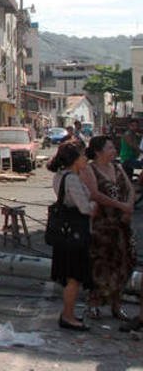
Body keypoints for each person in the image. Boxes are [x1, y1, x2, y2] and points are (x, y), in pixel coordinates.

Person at [81, 135, 136, 321]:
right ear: (98, 151)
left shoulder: (117, 167)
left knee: (123, 263)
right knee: (100, 265)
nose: (114, 151)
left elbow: (130, 189)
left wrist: (129, 206)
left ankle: (116, 304)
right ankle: (94, 304)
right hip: (102, 225)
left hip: (121, 225)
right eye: (110, 148)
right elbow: (95, 194)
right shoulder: (90, 169)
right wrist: (120, 206)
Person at [47, 141, 95, 331]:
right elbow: (84, 206)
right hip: (74, 232)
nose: (86, 159)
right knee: (74, 277)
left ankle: (69, 313)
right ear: (75, 159)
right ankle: (68, 316)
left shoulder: (61, 175)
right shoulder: (72, 179)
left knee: (69, 276)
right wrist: (94, 207)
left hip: (65, 232)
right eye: (83, 156)